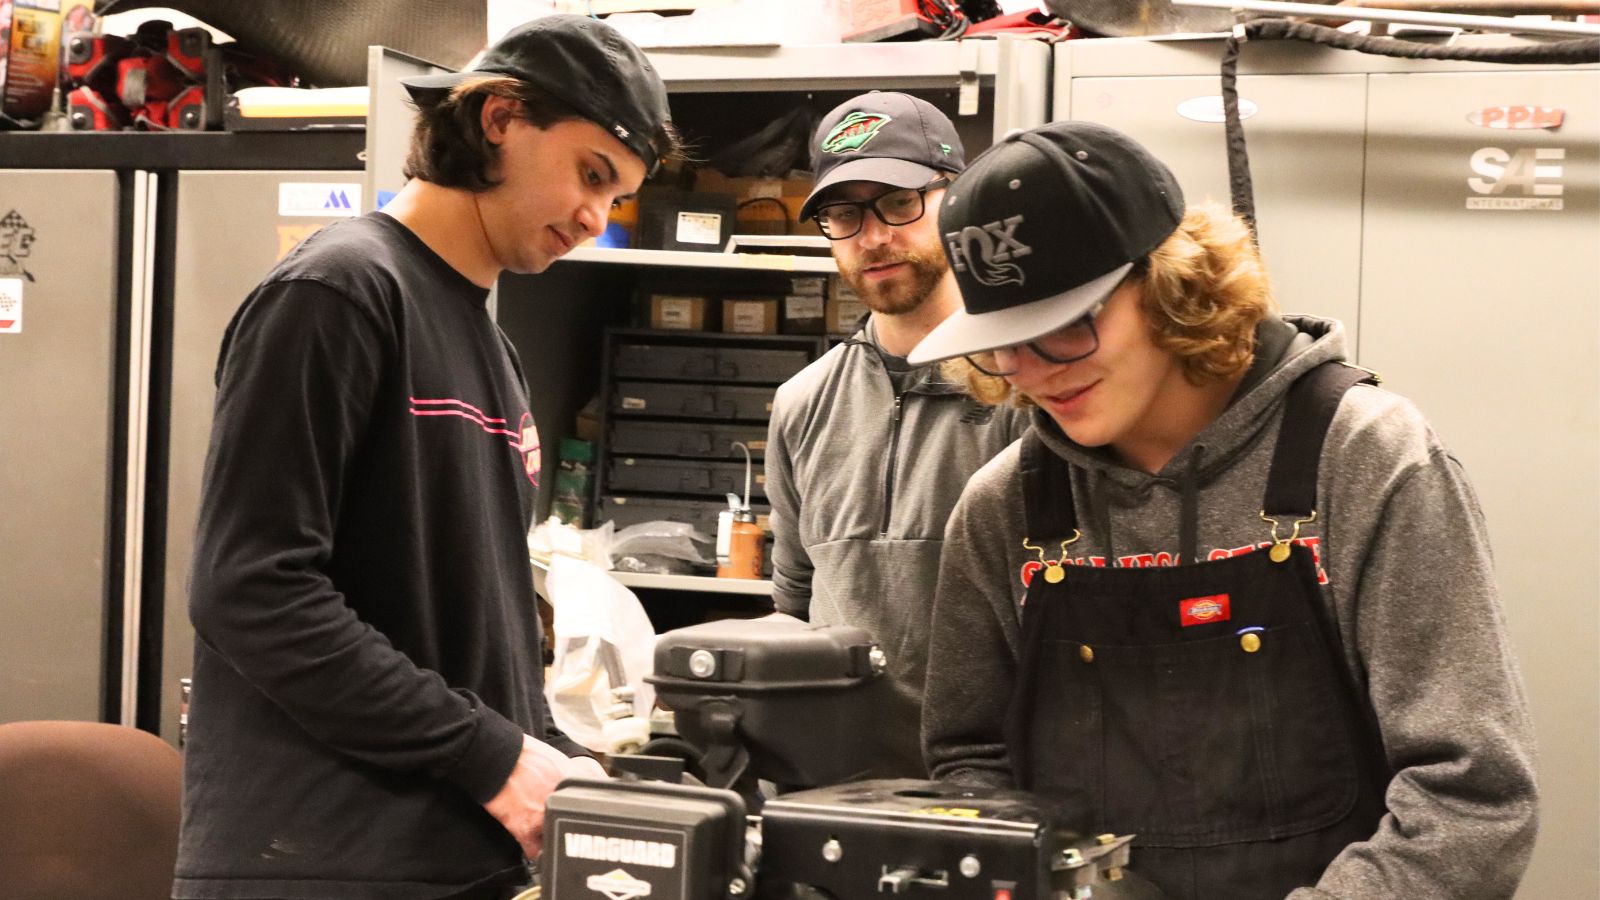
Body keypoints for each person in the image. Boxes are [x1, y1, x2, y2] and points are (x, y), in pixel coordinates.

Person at [910, 121, 1539, 899]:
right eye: (1003, 342)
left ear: (1171, 283)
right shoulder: (1006, 508)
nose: (1029, 373)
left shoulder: (1366, 460)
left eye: (1065, 328)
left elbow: (1472, 800)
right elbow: (971, 767)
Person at [174, 16, 679, 900]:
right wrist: (491, 756)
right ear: (499, 119)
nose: (596, 218)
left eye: (619, 197)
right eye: (592, 174)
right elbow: (252, 589)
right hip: (321, 863)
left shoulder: (495, 349)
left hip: (449, 857)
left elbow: (460, 627)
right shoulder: (338, 292)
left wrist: (558, 761)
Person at [764, 92, 1031, 779]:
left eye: (898, 201)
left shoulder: (1027, 385)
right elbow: (795, 603)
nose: (873, 235)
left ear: (958, 200)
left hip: (991, 790)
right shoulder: (801, 405)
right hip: (831, 790)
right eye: (844, 213)